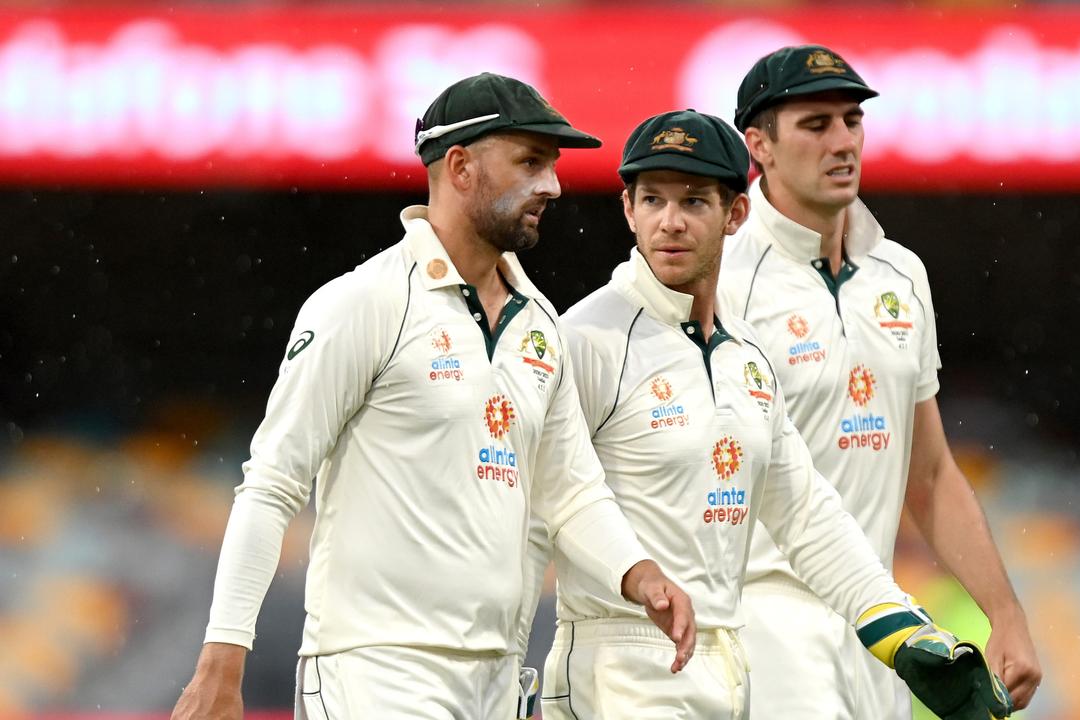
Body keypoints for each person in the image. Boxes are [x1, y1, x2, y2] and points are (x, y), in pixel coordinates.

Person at [170, 73, 695, 720]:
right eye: (531, 162)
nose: (553, 186)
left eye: (552, 166)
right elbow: (273, 483)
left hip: (498, 679)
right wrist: (221, 662)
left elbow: (570, 488)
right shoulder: (365, 303)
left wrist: (639, 572)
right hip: (375, 670)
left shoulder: (541, 326)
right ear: (460, 166)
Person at [527, 109, 1012, 720]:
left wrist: (904, 632)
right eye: (651, 199)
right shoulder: (585, 339)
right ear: (628, 209)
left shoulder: (747, 356)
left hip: (728, 666)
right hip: (620, 667)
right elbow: (542, 503)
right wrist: (510, 668)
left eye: (695, 202)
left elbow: (807, 513)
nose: (669, 222)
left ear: (735, 214)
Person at [719, 45, 1042, 719]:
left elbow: (927, 474)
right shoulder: (719, 278)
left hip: (878, 622)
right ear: (760, 145)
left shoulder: (901, 274)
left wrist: (1004, 613)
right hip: (764, 615)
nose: (842, 142)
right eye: (815, 125)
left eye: (851, 121)